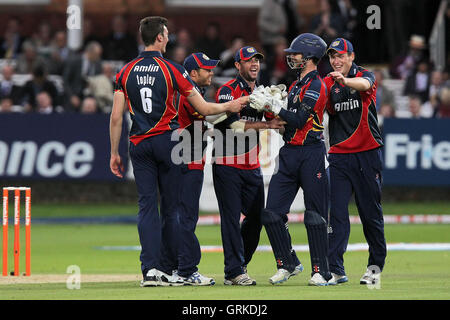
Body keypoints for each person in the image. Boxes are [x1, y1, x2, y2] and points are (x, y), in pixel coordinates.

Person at [109, 16, 247, 287]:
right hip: (166, 142)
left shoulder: (124, 71)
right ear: (159, 37)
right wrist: (231, 106)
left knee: (146, 206)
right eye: (167, 34)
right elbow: (206, 109)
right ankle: (171, 269)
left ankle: (150, 271)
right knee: (171, 210)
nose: (169, 38)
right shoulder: (172, 69)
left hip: (138, 144)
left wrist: (114, 152)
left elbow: (116, 116)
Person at [249, 33, 336, 286]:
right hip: (288, 152)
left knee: (315, 216)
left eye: (296, 54)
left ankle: (322, 271)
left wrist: (276, 107)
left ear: (309, 57)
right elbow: (282, 124)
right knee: (271, 214)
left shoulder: (317, 85)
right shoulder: (296, 85)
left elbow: (298, 120)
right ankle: (287, 262)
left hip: (311, 153)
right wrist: (269, 107)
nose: (291, 57)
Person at [213, 46, 286, 286]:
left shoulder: (261, 92)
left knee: (256, 218)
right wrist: (268, 126)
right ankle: (234, 271)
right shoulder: (227, 92)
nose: (254, 64)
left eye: (257, 60)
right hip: (227, 164)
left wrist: (280, 106)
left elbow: (275, 121)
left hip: (251, 165)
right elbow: (233, 127)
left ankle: (239, 265)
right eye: (248, 61)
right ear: (237, 66)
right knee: (231, 218)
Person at [324, 38, 386, 285]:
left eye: (340, 56)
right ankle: (335, 270)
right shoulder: (328, 83)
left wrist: (345, 81)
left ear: (351, 56)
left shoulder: (364, 75)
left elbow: (364, 84)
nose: (336, 61)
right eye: (332, 57)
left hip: (367, 154)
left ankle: (374, 269)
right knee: (337, 214)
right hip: (339, 156)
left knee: (370, 215)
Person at [173, 52, 221, 286]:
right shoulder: (190, 94)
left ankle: (172, 267)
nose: (211, 72)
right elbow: (213, 115)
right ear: (193, 73)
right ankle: (186, 269)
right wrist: (241, 104)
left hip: (185, 158)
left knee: (179, 215)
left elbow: (201, 125)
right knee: (187, 217)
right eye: (207, 69)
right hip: (188, 161)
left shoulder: (194, 92)